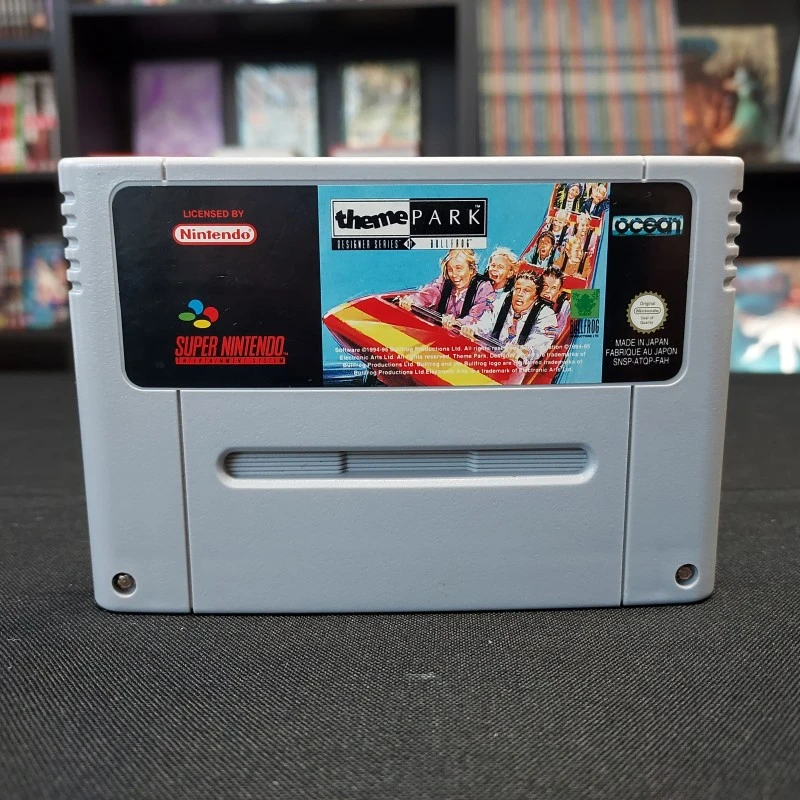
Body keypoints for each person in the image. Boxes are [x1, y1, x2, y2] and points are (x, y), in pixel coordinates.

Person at [462, 270, 557, 367]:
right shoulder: (502, 300)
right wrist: (472, 330)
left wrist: (523, 351)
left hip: (517, 368)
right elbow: (486, 322)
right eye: (517, 289)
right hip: (489, 359)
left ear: (535, 296)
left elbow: (539, 343)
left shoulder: (546, 315)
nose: (520, 294)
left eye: (526, 291)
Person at [398, 248, 494, 329]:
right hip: (438, 333)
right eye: (450, 270)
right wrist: (413, 301)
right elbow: (430, 293)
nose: (454, 275)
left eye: (459, 268)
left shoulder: (484, 288)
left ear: (471, 270)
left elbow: (478, 318)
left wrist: (457, 323)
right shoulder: (444, 281)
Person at [540, 266, 570, 338]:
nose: (547, 291)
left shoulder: (565, 306)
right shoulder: (531, 298)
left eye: (553, 288)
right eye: (545, 286)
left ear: (560, 291)